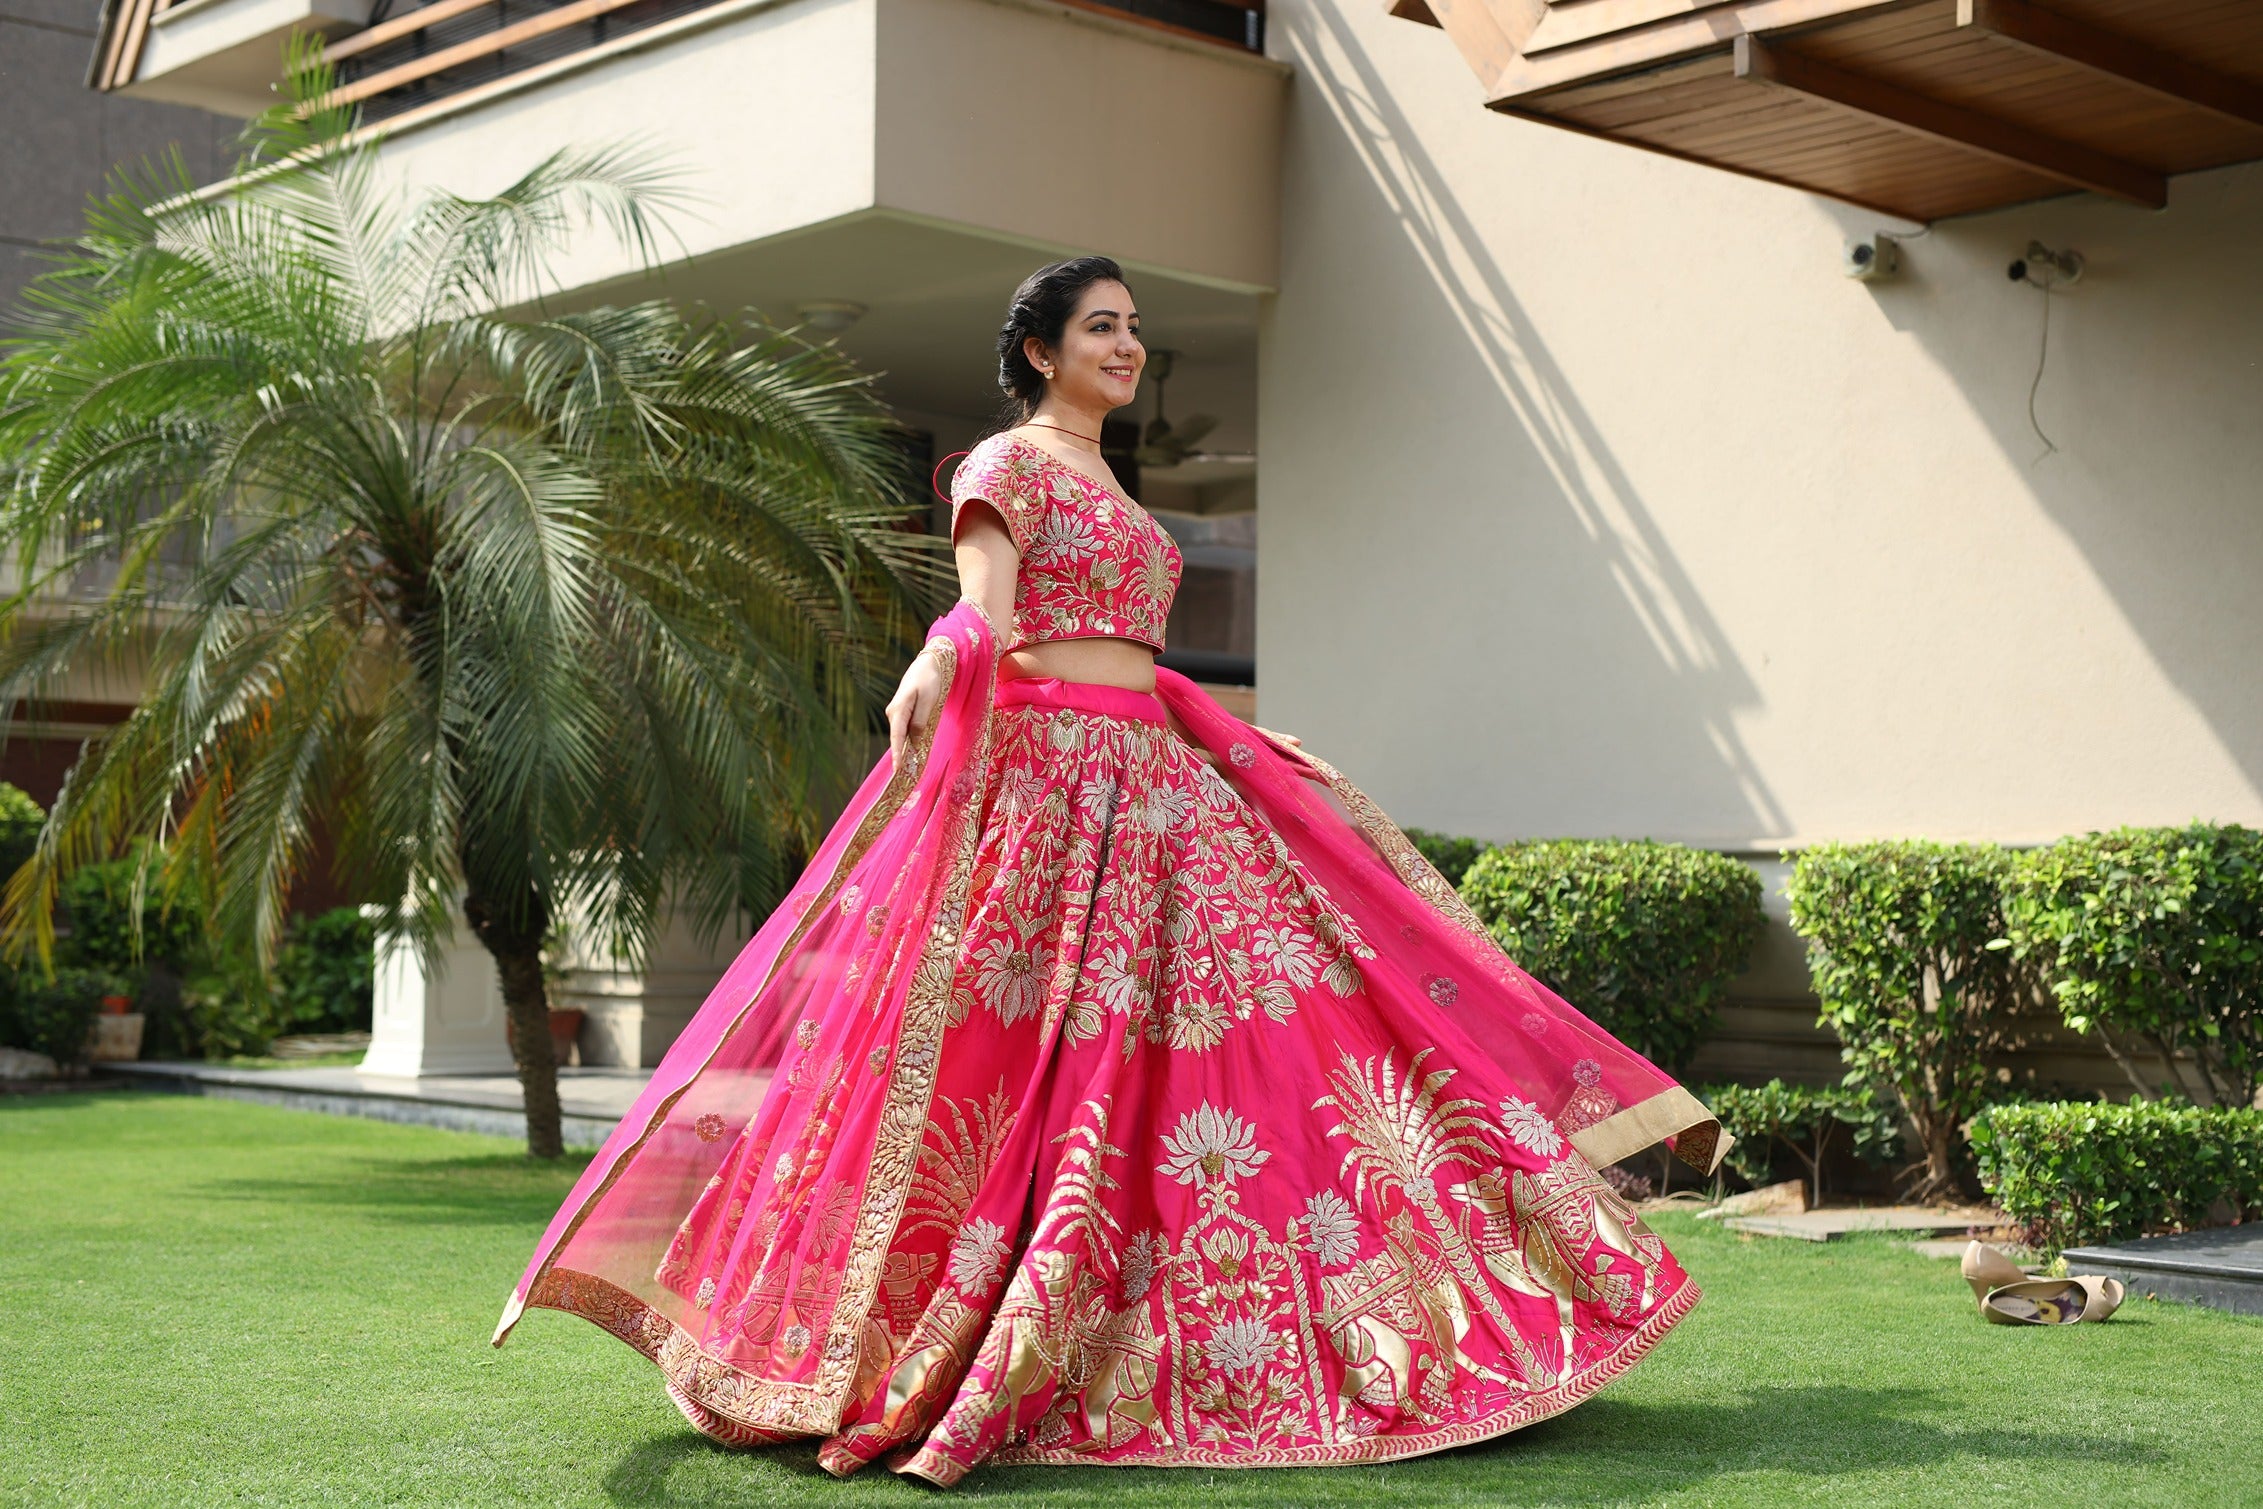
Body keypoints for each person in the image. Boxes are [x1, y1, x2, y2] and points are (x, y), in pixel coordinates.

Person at [495, 256, 1726, 1486]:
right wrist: (932, 662)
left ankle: (1334, 1322)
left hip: (1160, 788)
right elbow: (988, 612)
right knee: (1035, 1070)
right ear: (1040, 350)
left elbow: (1130, 655)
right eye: (1101, 327)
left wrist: (1226, 727)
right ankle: (982, 1330)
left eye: (1134, 328)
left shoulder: (1113, 485)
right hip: (1060, 796)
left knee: (1277, 1041)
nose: (1127, 346)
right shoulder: (1007, 464)